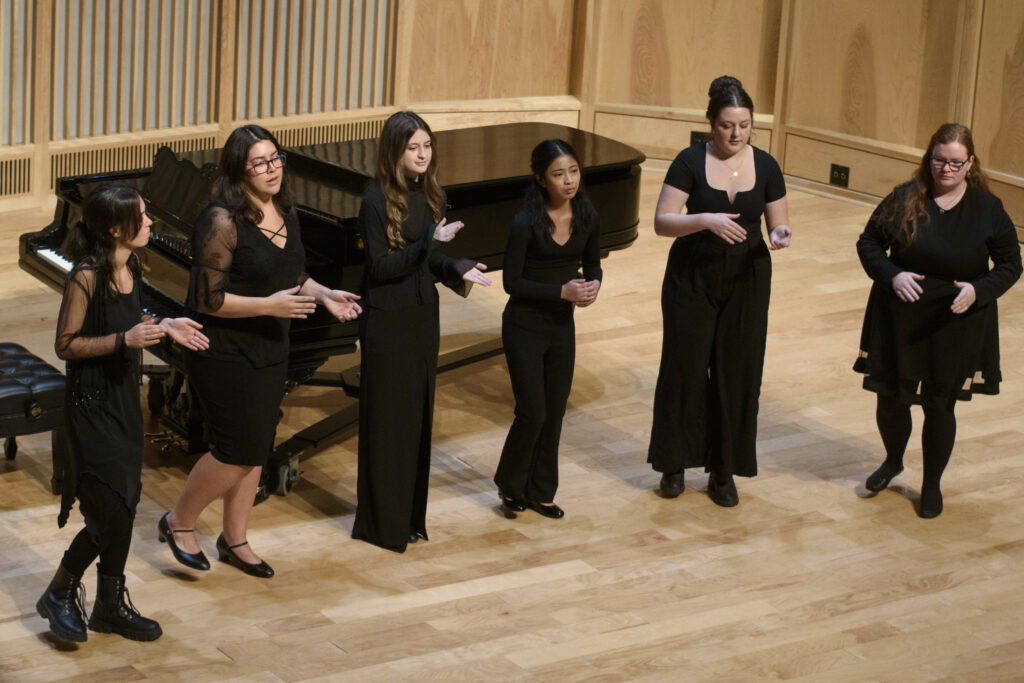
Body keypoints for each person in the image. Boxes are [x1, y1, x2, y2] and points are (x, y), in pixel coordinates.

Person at [159, 125, 361, 576]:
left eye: (276, 160)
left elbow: (295, 276)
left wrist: (326, 294)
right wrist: (270, 305)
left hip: (272, 346)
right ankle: (178, 522)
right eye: (260, 163)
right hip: (225, 350)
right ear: (238, 169)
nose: (272, 171)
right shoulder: (221, 221)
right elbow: (207, 301)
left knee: (257, 446)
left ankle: (235, 539)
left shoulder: (285, 209)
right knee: (234, 451)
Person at [37, 182, 208, 643]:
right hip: (91, 405)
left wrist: (165, 325)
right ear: (115, 228)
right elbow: (65, 345)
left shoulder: (130, 263)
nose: (151, 221)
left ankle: (109, 604)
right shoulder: (86, 276)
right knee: (108, 512)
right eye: (142, 216)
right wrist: (123, 341)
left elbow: (132, 324)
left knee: (126, 505)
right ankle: (60, 589)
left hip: (122, 402)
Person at [854, 123, 1021, 518]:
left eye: (955, 163)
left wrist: (978, 290)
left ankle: (931, 486)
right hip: (901, 314)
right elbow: (869, 243)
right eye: (938, 161)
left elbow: (1012, 264)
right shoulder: (906, 196)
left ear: (970, 164)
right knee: (892, 399)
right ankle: (893, 460)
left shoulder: (987, 209)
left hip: (955, 320)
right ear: (928, 158)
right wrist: (893, 274)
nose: (946, 170)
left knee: (939, 404)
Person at [647, 75, 792, 507]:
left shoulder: (766, 165)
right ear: (711, 123)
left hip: (747, 277)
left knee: (738, 371)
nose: (736, 134)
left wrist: (781, 232)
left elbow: (777, 220)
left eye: (744, 125)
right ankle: (674, 464)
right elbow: (662, 221)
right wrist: (706, 219)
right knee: (685, 367)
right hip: (693, 274)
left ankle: (724, 470)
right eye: (728, 125)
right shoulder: (689, 161)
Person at [352, 110, 491, 553]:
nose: (422, 155)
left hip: (421, 317)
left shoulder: (433, 194)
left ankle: (408, 519)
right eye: (413, 148)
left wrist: (458, 266)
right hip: (388, 319)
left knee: (416, 418)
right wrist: (429, 244)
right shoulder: (375, 200)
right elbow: (380, 267)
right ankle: (380, 525)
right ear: (395, 151)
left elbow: (428, 263)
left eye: (427, 146)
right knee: (387, 421)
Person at [493, 139, 601, 520]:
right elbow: (511, 282)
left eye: (573, 171)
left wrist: (594, 286)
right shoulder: (525, 223)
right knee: (533, 412)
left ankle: (541, 491)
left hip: (560, 327)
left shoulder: (587, 217)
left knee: (554, 412)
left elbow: (594, 264)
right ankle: (510, 484)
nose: (569, 180)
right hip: (523, 325)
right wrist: (562, 290)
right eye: (559, 174)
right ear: (541, 180)